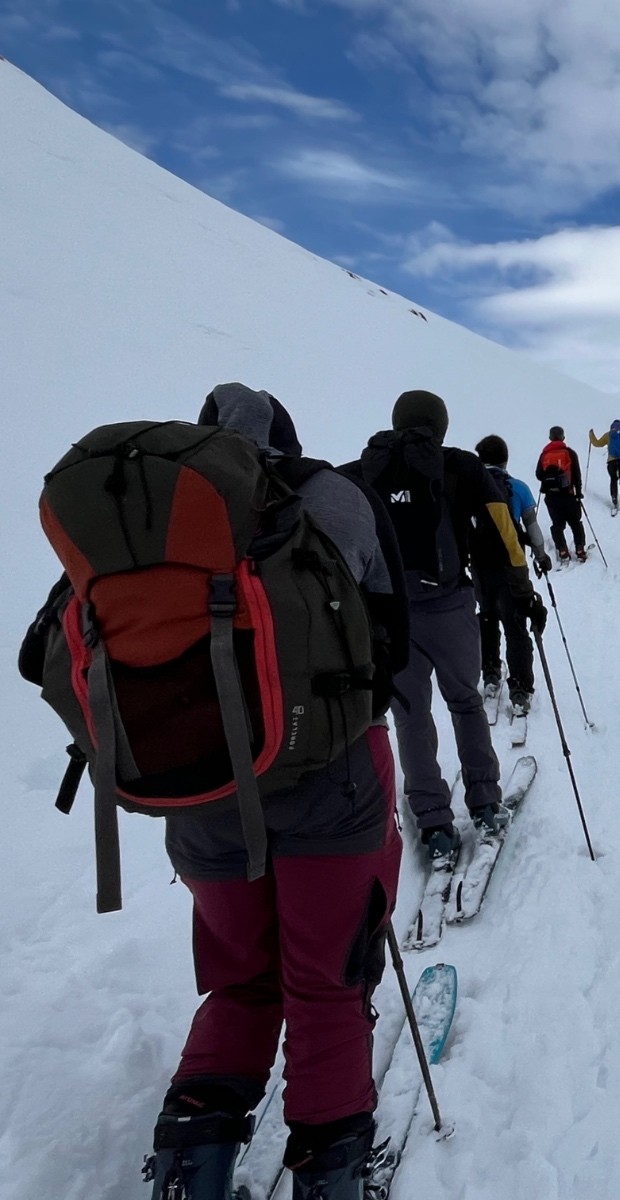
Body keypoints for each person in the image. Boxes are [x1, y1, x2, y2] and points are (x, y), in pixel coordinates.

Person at [20, 384, 409, 1200]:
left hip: (197, 794)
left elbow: (42, 652)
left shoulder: (145, 535)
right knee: (327, 981)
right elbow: (389, 632)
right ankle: (330, 1175)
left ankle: (187, 1171)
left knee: (241, 981)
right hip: (330, 783)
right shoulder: (329, 497)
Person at [353, 390, 544, 864]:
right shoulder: (460, 466)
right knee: (465, 701)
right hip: (451, 606)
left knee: (410, 715)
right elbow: (503, 530)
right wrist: (522, 593)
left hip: (391, 617)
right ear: (440, 425)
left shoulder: (365, 471)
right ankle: (484, 802)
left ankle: (433, 821)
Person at [474, 434, 551, 716]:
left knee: (487, 617)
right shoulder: (517, 487)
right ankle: (519, 690)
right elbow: (532, 530)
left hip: (480, 568)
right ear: (506, 459)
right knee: (515, 626)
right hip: (511, 568)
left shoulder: (471, 488)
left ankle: (491, 675)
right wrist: (541, 558)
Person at [536, 425, 587, 563]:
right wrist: (578, 493)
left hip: (551, 497)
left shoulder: (544, 454)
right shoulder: (569, 453)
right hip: (568, 494)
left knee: (557, 525)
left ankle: (563, 551)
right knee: (576, 523)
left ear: (550, 438)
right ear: (563, 437)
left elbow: (539, 475)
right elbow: (577, 474)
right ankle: (580, 549)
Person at [588, 419, 620, 515]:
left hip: (611, 462)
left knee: (613, 479)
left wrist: (591, 435)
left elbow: (597, 443)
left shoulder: (609, 435)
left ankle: (615, 500)